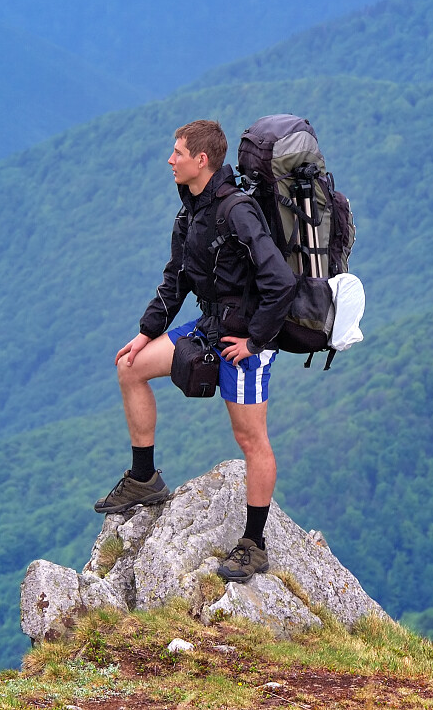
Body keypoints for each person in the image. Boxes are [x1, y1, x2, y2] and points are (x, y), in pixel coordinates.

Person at [95, 119, 296, 582]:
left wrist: (256, 341)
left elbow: (280, 284)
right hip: (208, 324)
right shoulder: (190, 213)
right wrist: (146, 332)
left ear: (201, 160)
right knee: (130, 368)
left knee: (250, 439)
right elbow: (177, 279)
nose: (170, 160)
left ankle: (255, 543)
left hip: (244, 339)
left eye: (178, 153)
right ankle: (145, 479)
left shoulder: (237, 212)